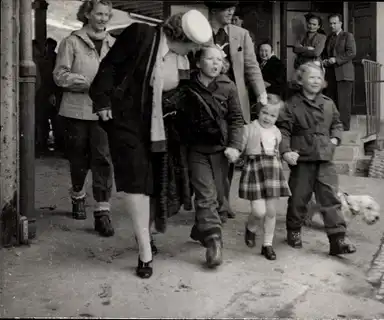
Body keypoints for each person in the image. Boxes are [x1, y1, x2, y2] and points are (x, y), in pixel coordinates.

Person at [89, 10, 211, 278]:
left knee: (157, 184)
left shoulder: (183, 56)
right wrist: (102, 101)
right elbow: (109, 67)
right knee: (137, 181)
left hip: (163, 125)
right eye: (192, 44)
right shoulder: (141, 35)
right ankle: (144, 250)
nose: (193, 50)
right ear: (181, 37)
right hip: (129, 121)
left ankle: (146, 234)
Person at [276, 61, 357, 255]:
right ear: (300, 80)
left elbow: (337, 123)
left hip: (324, 159)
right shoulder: (291, 105)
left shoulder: (328, 103)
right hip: (302, 159)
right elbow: (283, 130)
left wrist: (336, 139)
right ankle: (294, 230)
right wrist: (286, 151)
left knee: (330, 198)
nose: (315, 81)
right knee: (298, 198)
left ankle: (338, 239)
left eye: (319, 78)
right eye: (311, 77)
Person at [177, 45, 244, 268]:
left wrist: (235, 146)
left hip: (221, 150)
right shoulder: (186, 85)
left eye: (219, 60)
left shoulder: (228, 86)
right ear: (198, 63)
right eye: (210, 59)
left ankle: (201, 228)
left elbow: (236, 118)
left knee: (218, 197)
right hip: (196, 150)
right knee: (205, 194)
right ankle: (214, 243)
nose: (216, 64)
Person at [53, 0, 115, 237]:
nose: (103, 19)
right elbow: (60, 75)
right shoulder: (71, 42)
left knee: (103, 158)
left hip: (104, 111)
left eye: (107, 15)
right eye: (99, 14)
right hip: (76, 110)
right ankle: (78, 194)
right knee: (78, 157)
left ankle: (102, 211)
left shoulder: (113, 44)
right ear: (87, 14)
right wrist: (88, 83)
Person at [201, 0, 267, 224]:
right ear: (213, 10)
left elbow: (251, 66)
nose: (231, 12)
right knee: (209, 151)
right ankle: (215, 201)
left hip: (234, 102)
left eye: (233, 8)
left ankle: (222, 200)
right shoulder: (200, 32)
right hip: (206, 100)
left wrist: (261, 94)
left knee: (231, 152)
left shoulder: (241, 34)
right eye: (226, 8)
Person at [239, 95, 291, 260]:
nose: (268, 118)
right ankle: (251, 227)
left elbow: (279, 151)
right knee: (259, 211)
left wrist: (289, 155)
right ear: (258, 111)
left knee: (271, 211)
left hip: (273, 171)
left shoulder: (277, 132)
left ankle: (267, 244)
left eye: (273, 115)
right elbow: (239, 147)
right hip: (255, 170)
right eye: (265, 113)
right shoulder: (249, 128)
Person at [321, 13, 356, 131]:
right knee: (332, 101)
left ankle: (344, 128)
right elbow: (325, 53)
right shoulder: (329, 37)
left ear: (340, 23)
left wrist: (336, 59)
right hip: (331, 74)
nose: (332, 25)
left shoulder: (347, 36)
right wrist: (325, 60)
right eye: (330, 23)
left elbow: (351, 52)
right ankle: (333, 127)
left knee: (344, 104)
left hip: (344, 75)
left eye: (335, 23)